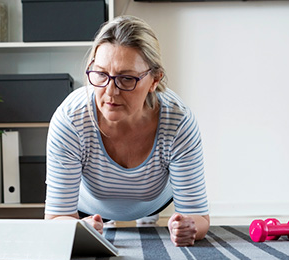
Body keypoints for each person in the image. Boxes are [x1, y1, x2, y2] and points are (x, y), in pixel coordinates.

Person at [44, 15, 210, 247]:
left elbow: (198, 216)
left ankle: (145, 217)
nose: (111, 92)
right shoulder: (70, 119)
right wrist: (78, 228)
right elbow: (55, 217)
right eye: (101, 74)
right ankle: (105, 221)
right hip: (90, 205)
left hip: (153, 200)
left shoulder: (179, 120)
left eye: (127, 78)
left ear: (154, 79)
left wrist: (189, 227)